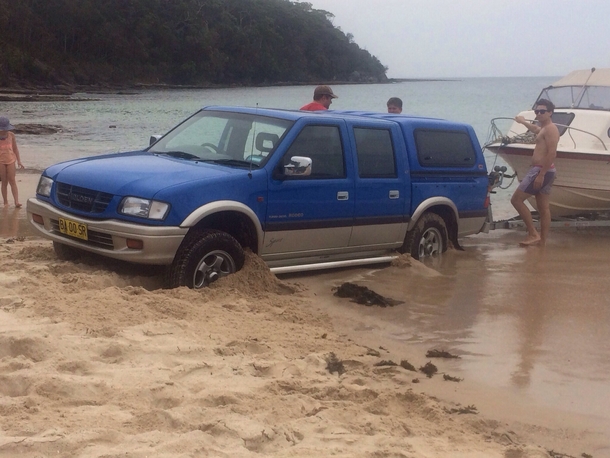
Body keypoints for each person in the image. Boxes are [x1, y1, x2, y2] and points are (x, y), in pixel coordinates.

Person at [510, 99, 559, 247]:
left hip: (541, 170)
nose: (538, 113)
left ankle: (532, 233)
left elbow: (552, 153)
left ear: (550, 112)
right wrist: (523, 122)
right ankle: (542, 242)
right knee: (543, 208)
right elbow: (535, 129)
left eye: (542, 111)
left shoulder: (551, 129)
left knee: (516, 200)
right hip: (546, 170)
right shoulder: (544, 128)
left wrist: (541, 174)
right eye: (537, 111)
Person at [0, 116, 24, 208]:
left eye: (6, 129)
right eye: (3, 130)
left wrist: (19, 161)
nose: (5, 131)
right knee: (4, 182)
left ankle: (16, 201)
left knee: (12, 181)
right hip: (1, 161)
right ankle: (5, 202)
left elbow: (15, 149)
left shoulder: (11, 135)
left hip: (11, 160)